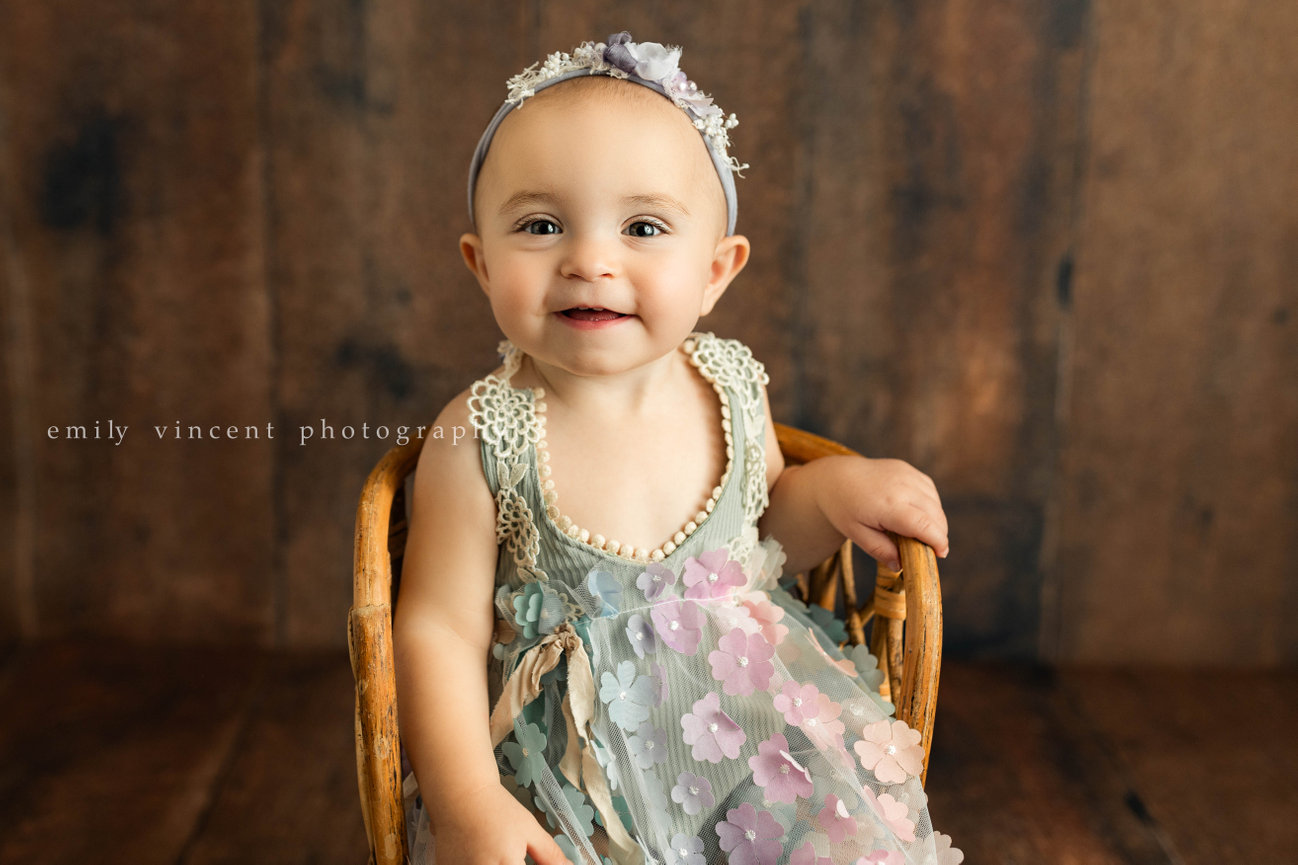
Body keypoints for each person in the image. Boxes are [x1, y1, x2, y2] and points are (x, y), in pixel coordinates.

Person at [393, 32, 961, 865]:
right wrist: (469, 802)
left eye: (644, 226)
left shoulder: (729, 387)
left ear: (716, 272)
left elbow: (769, 535)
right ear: (481, 266)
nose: (591, 260)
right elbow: (438, 630)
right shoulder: (480, 434)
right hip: (572, 771)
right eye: (542, 225)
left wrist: (835, 490)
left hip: (749, 740)